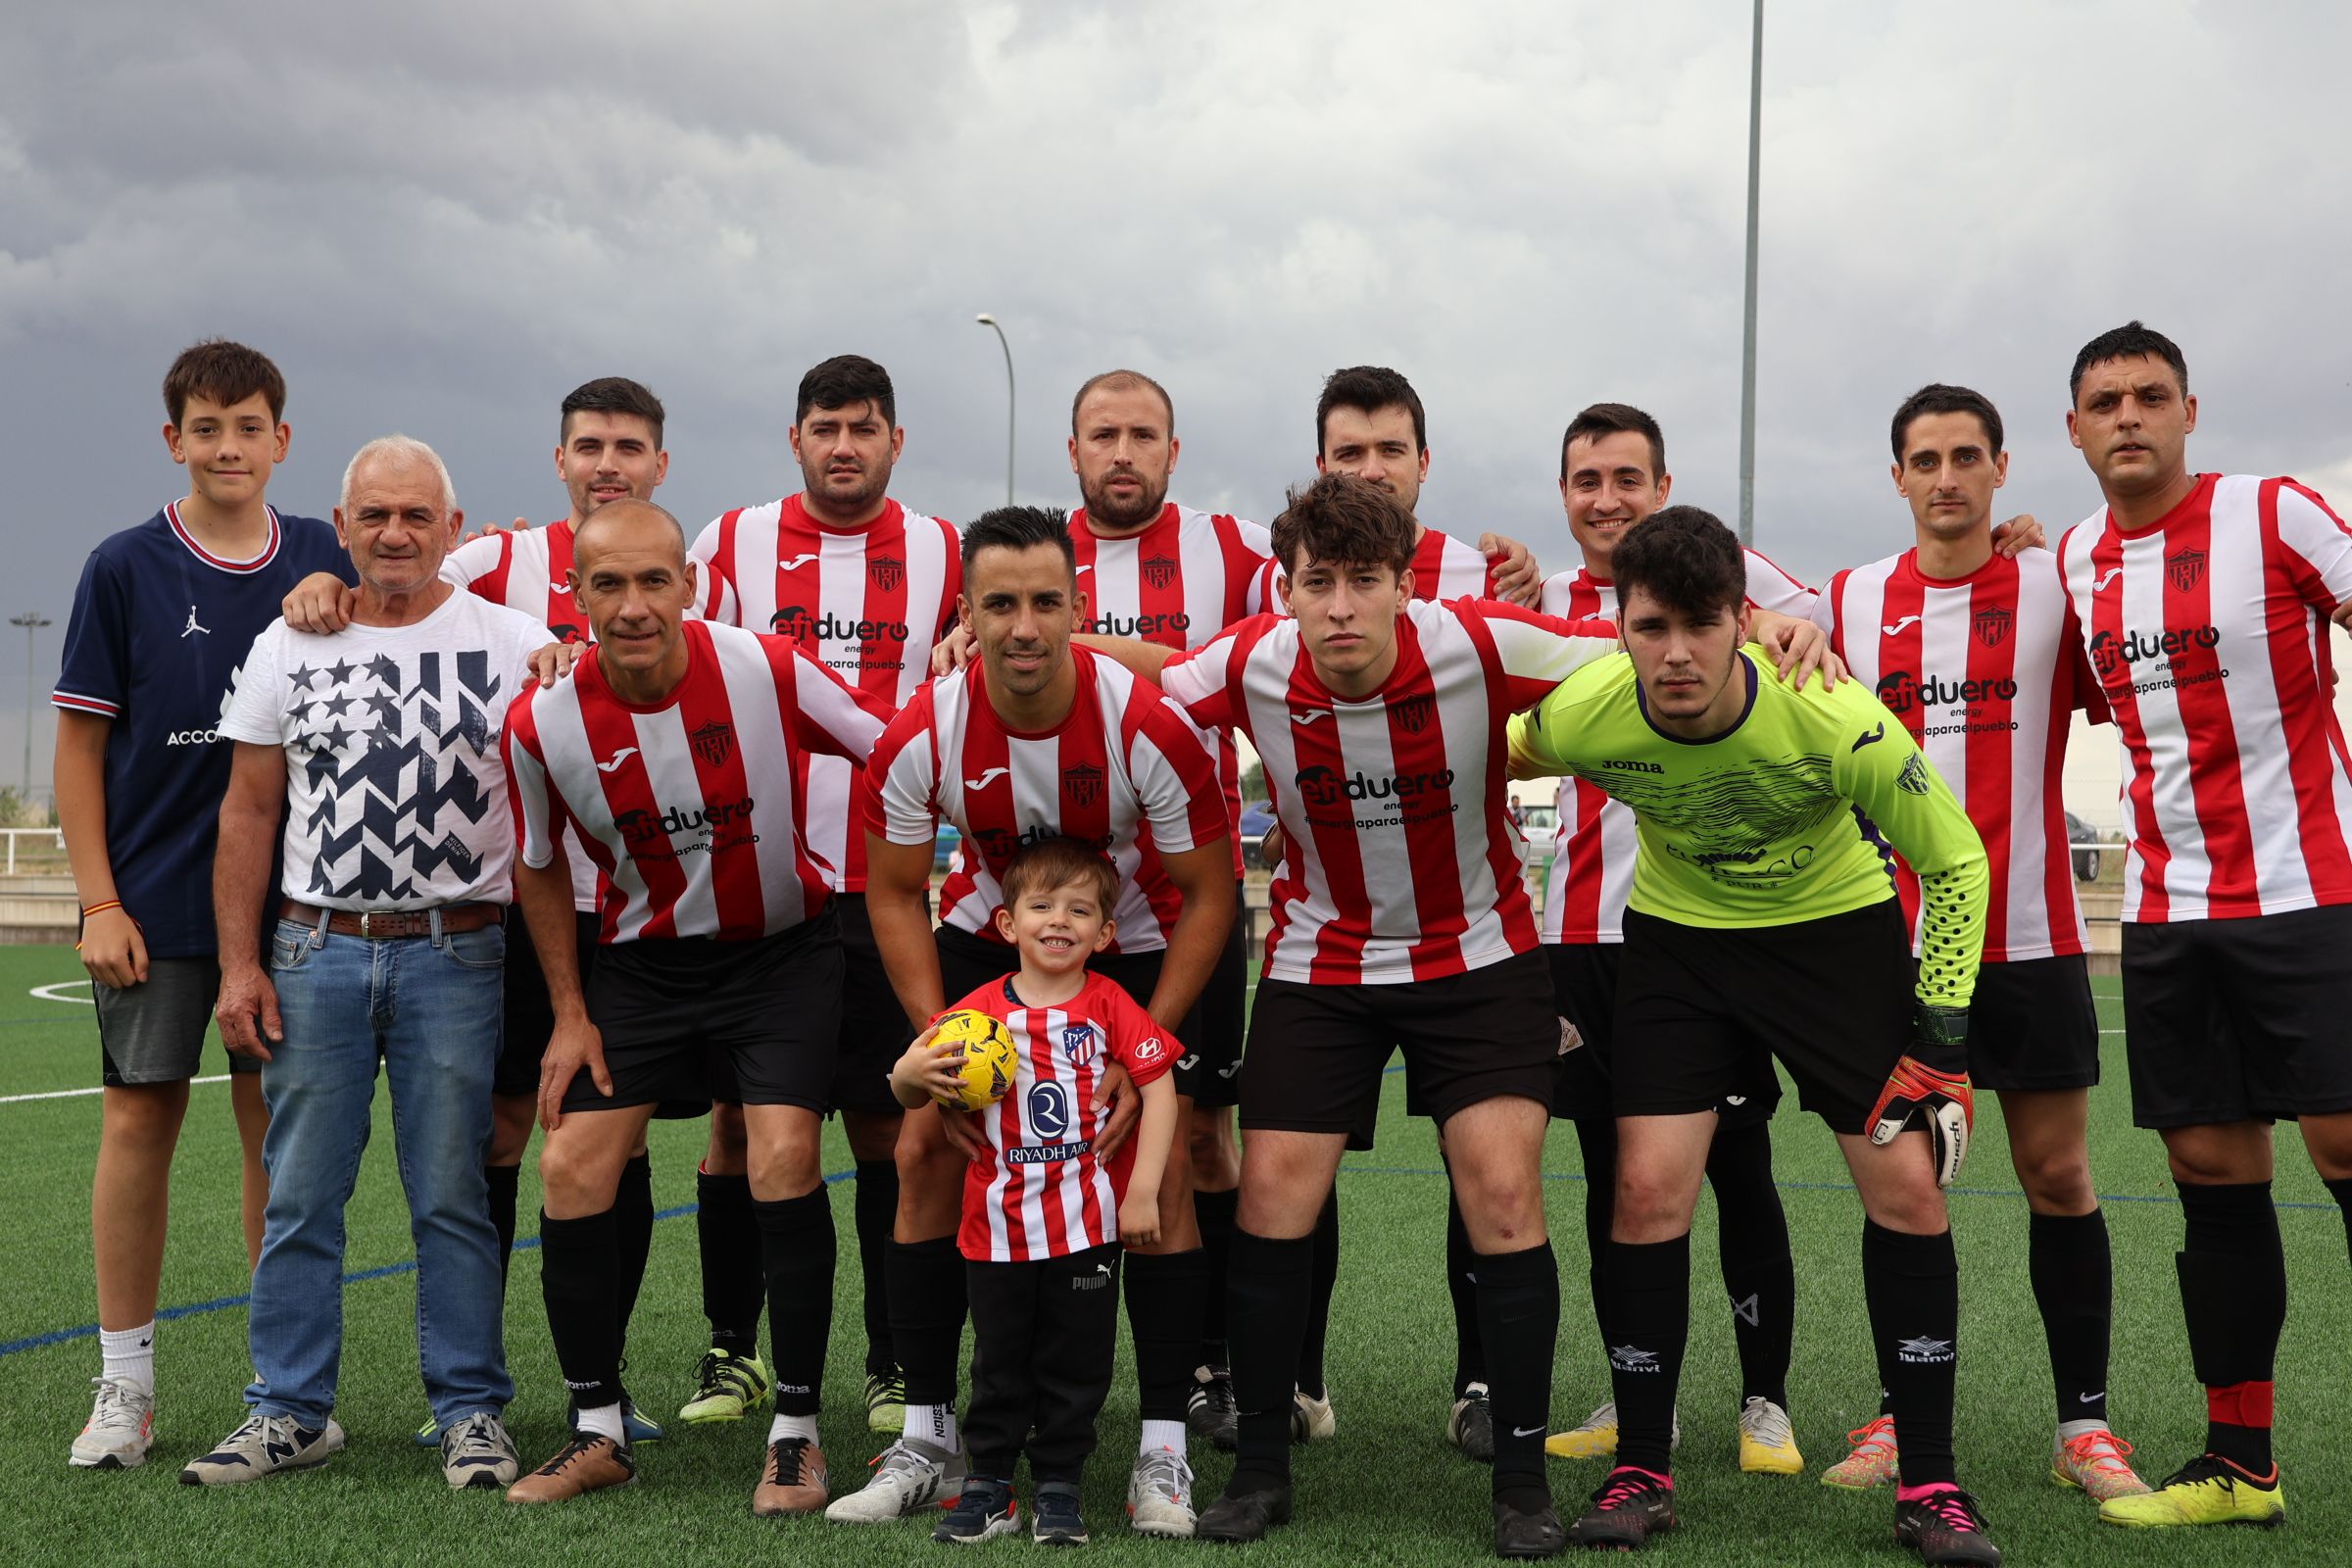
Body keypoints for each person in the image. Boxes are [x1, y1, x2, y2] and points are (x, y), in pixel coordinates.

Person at [1086, 471, 1635, 1556]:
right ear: (1286, 589)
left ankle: (1521, 1484)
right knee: (1274, 1195)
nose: (1339, 605)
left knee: (1505, 1193)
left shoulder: (1482, 645)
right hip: (1321, 960)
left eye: (1363, 581)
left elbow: (1640, 649)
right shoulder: (1255, 658)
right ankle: (1259, 1467)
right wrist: (1038, 649)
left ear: (1405, 584)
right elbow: (1151, 669)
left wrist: (1769, 631)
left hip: (1479, 957)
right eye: (1316, 581)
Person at [1510, 506, 2000, 1565]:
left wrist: (1944, 1037)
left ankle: (1932, 1483)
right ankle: (1642, 1467)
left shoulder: (1832, 714)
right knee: (1645, 1192)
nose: (1675, 653)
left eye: (1700, 623)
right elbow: (1487, 745)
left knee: (1909, 1190)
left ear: (1745, 620)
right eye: (1651, 628)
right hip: (1680, 948)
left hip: (1833, 940)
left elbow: (1957, 862)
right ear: (1622, 625)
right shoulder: (1586, 711)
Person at [281, 373, 680, 1448]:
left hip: (631, 899)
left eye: (629, 447)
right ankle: (473, 1391)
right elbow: (388, 585)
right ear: (559, 461)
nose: (608, 463)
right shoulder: (492, 562)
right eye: (589, 444)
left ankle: (603, 1381)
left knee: (615, 1138)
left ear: (659, 464)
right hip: (514, 897)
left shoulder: (694, 564)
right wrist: (315, 586)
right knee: (500, 1135)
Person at [833, 505, 1232, 1537]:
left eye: (1045, 601)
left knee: (1169, 1149)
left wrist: (1144, 1057)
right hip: (991, 926)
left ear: (1077, 608)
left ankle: (1161, 1452)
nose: (1022, 626)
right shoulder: (926, 727)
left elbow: (1212, 892)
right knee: (924, 1142)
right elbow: (891, 891)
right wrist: (950, 1051)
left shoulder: (1142, 720)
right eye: (999, 603)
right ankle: (928, 1430)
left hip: (1134, 929)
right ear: (965, 612)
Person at [500, 498, 891, 1510]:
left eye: (652, 580)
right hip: (644, 965)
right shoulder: (541, 720)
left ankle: (797, 1431)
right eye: (607, 584)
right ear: (575, 595)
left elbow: (894, 755)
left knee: (782, 1157)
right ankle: (595, 1429)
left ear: (690, 582)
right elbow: (539, 869)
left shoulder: (764, 667)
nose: (633, 605)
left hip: (783, 957)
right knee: (573, 1163)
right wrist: (569, 1011)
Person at [185, 436, 557, 1492]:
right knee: (302, 1193)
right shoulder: (288, 642)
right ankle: (291, 1409)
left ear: (456, 529)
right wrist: (239, 965)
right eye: (374, 516)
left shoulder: (515, 640)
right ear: (340, 528)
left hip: (461, 952)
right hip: (315, 949)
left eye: (417, 516)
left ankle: (470, 1410)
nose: (396, 533)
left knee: (451, 1193)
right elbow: (249, 812)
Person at [1812, 383, 2145, 1501]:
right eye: (1924, 459)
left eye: (1966, 457)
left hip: (2037, 937)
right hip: (1892, 951)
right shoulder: (1850, 600)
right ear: (1896, 477)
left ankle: (2083, 1427)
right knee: (1905, 1191)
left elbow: (2121, 680)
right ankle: (1903, 1418)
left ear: (2003, 469)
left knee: (2057, 1172)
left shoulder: (2054, 583)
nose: (1946, 478)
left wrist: (2058, 549)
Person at [2052, 322, 2352, 1531]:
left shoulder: (2276, 513)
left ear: (2188, 412)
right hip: (2172, 917)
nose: (2128, 415)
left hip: (2310, 897)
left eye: (2149, 396)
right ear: (2074, 430)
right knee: (2212, 1176)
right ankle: (2240, 1464)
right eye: (2105, 401)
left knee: (2345, 1150)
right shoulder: (2076, 558)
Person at [54, 340, 354, 1471]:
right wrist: (98, 900)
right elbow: (81, 749)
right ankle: (124, 1386)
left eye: (250, 426)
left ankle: (282, 1387)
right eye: (207, 427)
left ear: (284, 438)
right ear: (173, 439)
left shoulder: (329, 552)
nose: (229, 447)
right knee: (138, 1120)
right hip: (156, 902)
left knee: (275, 1138)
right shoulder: (123, 565)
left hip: (296, 908)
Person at [1528, 403, 1814, 1477]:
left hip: (1706, 935)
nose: (1605, 497)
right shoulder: (1537, 602)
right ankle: (1632, 1390)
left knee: (1739, 1167)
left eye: (1626, 477)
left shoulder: (1730, 578)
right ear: (1563, 494)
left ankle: (1766, 1401)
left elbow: (1820, 619)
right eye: (1585, 478)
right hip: (1584, 941)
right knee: (1615, 1179)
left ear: (1663, 486)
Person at [688, 354, 960, 1435]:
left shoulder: (941, 547)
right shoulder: (729, 543)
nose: (843, 444)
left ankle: (890, 1361)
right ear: (793, 439)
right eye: (824, 427)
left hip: (882, 884)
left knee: (888, 1126)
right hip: (757, 885)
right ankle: (731, 1351)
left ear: (897, 440)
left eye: (863, 427)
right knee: (737, 1124)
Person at [1060, 368, 1270, 1448]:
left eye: (1145, 434)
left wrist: (1087, 648)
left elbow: (1238, 669)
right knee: (1048, 1133)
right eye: (1106, 434)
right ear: (1074, 450)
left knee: (1196, 1144)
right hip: (1058, 913)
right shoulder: (1023, 553)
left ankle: (1210, 1363)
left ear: (1174, 453)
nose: (1125, 452)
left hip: (1188, 901)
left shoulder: (1234, 551)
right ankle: (1046, 1374)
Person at [887, 836, 1182, 1545]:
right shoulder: (975, 1015)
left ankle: (1059, 1485)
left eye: (1079, 910)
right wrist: (910, 1075)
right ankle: (988, 1482)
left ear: (1105, 933)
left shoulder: (1110, 1004)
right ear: (1006, 924)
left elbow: (1160, 1089)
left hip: (1086, 1228)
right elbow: (905, 1084)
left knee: (1075, 1363)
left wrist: (1141, 1190)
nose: (1059, 920)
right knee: (999, 1359)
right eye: (1041, 905)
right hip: (997, 1228)